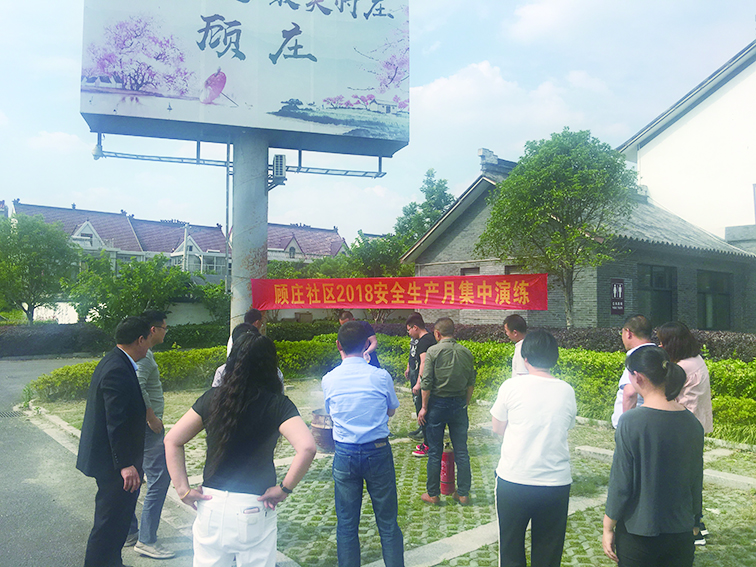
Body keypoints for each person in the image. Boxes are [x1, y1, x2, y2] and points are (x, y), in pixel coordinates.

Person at [165, 334, 316, 567]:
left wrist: (183, 490)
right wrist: (285, 488)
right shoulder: (277, 404)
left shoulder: (212, 399)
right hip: (255, 505)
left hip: (211, 504)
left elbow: (172, 440)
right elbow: (307, 447)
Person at [603, 346, 704, 567]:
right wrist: (696, 520)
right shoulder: (692, 423)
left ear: (637, 377)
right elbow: (696, 479)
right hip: (681, 532)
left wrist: (608, 526)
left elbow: (621, 483)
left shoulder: (631, 422)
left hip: (638, 533)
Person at [490, 330, 577, 567]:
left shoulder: (511, 386)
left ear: (525, 358)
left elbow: (497, 427)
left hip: (515, 479)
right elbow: (567, 425)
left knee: (510, 548)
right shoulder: (566, 390)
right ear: (554, 358)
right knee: (548, 552)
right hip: (555, 483)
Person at [321, 321, 404, 567]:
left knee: (347, 523)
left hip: (344, 454)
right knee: (387, 522)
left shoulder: (329, 379)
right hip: (377, 451)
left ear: (338, 345)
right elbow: (391, 410)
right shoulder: (380, 376)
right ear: (367, 344)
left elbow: (331, 413)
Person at [77, 316, 152, 567]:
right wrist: (126, 464)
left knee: (118, 521)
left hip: (113, 461)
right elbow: (115, 422)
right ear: (140, 340)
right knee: (109, 523)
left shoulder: (115, 361)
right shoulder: (117, 369)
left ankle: (112, 562)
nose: (149, 347)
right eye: (148, 340)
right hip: (113, 465)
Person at [657, 320, 713, 545]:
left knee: (681, 481)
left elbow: (666, 394)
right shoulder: (696, 360)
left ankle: (693, 529)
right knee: (692, 478)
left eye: (663, 342)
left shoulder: (681, 367)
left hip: (681, 429)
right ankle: (697, 523)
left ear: (673, 343)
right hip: (695, 427)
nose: (660, 346)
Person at [125, 310, 175, 559]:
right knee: (159, 478)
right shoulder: (143, 357)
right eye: (165, 327)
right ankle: (146, 540)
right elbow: (137, 385)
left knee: (135, 478)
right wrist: (151, 417)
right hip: (149, 427)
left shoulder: (140, 353)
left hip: (139, 427)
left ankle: (129, 532)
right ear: (153, 330)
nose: (166, 332)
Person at [419, 317, 475, 505]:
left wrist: (424, 408)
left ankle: (433, 494)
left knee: (435, 452)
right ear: (453, 332)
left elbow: (427, 382)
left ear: (437, 333)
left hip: (437, 404)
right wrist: (464, 403)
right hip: (459, 404)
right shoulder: (466, 352)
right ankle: (463, 493)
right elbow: (471, 383)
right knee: (462, 451)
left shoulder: (433, 352)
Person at [611, 315, 654, 428]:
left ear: (628, 333)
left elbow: (630, 393)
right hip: (652, 420)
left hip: (634, 425)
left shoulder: (636, 356)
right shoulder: (658, 353)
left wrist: (626, 427)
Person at [404, 313, 436, 456]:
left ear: (415, 327)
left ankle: (428, 445)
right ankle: (428, 442)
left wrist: (418, 383)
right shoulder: (430, 338)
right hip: (428, 382)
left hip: (423, 383)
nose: (409, 333)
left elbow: (423, 363)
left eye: (409, 330)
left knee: (423, 413)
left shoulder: (423, 342)